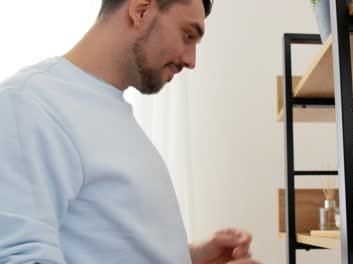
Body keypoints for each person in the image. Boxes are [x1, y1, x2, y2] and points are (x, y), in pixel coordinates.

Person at [0, 0, 260, 263]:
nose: (191, 60)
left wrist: (190, 257)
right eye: (187, 35)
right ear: (141, 10)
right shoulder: (29, 104)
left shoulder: (109, 111)